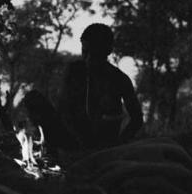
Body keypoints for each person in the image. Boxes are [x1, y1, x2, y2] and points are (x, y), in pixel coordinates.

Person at [24, 23, 143, 151]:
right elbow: (62, 108)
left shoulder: (119, 79)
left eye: (95, 52)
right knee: (33, 98)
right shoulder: (74, 70)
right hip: (72, 140)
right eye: (85, 51)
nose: (89, 58)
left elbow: (137, 119)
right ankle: (54, 152)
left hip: (102, 146)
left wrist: (119, 144)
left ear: (108, 51)